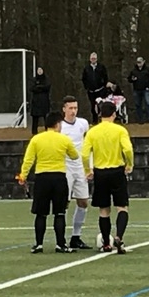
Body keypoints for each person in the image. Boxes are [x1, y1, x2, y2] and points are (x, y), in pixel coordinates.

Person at [18, 111, 80, 254]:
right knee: (60, 213)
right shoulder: (64, 139)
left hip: (42, 178)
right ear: (57, 124)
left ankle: (39, 244)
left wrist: (23, 175)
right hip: (59, 178)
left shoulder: (36, 139)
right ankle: (61, 244)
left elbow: (28, 160)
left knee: (41, 213)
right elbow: (74, 156)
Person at [81, 101, 134, 254]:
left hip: (100, 173)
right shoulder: (120, 130)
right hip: (117, 171)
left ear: (100, 114)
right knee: (122, 207)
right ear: (114, 114)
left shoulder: (92, 132)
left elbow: (84, 154)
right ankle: (118, 237)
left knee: (104, 210)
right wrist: (129, 164)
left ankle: (106, 243)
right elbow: (128, 149)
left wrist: (87, 170)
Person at [60, 95, 92, 249]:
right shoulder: (60, 126)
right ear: (64, 109)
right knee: (64, 202)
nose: (73, 111)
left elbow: (88, 145)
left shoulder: (83, 123)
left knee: (83, 201)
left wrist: (89, 166)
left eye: (75, 108)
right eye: (70, 108)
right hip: (65, 167)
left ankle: (76, 236)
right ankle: (61, 238)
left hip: (80, 167)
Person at [81, 52, 109, 124]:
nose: (93, 60)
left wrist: (104, 85)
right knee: (92, 106)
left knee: (101, 106)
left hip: (100, 90)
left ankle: (102, 120)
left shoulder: (101, 67)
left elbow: (105, 77)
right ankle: (94, 121)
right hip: (91, 91)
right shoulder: (86, 68)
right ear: (90, 59)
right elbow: (84, 79)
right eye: (92, 58)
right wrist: (87, 87)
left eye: (94, 58)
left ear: (96, 59)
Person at [127, 57, 149, 123]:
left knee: (148, 103)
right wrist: (132, 79)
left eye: (140, 62)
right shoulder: (133, 71)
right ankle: (140, 119)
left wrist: (148, 86)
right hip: (137, 90)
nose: (139, 63)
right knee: (138, 105)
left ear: (143, 61)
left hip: (146, 90)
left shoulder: (148, 70)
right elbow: (129, 79)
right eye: (138, 62)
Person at [30, 67, 51, 135]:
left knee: (46, 117)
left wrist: (39, 87)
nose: (39, 71)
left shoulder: (46, 79)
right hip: (36, 102)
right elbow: (32, 88)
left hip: (44, 101)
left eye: (41, 70)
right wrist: (40, 88)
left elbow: (47, 87)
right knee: (35, 118)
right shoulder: (34, 79)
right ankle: (34, 132)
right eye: (38, 70)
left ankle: (48, 131)